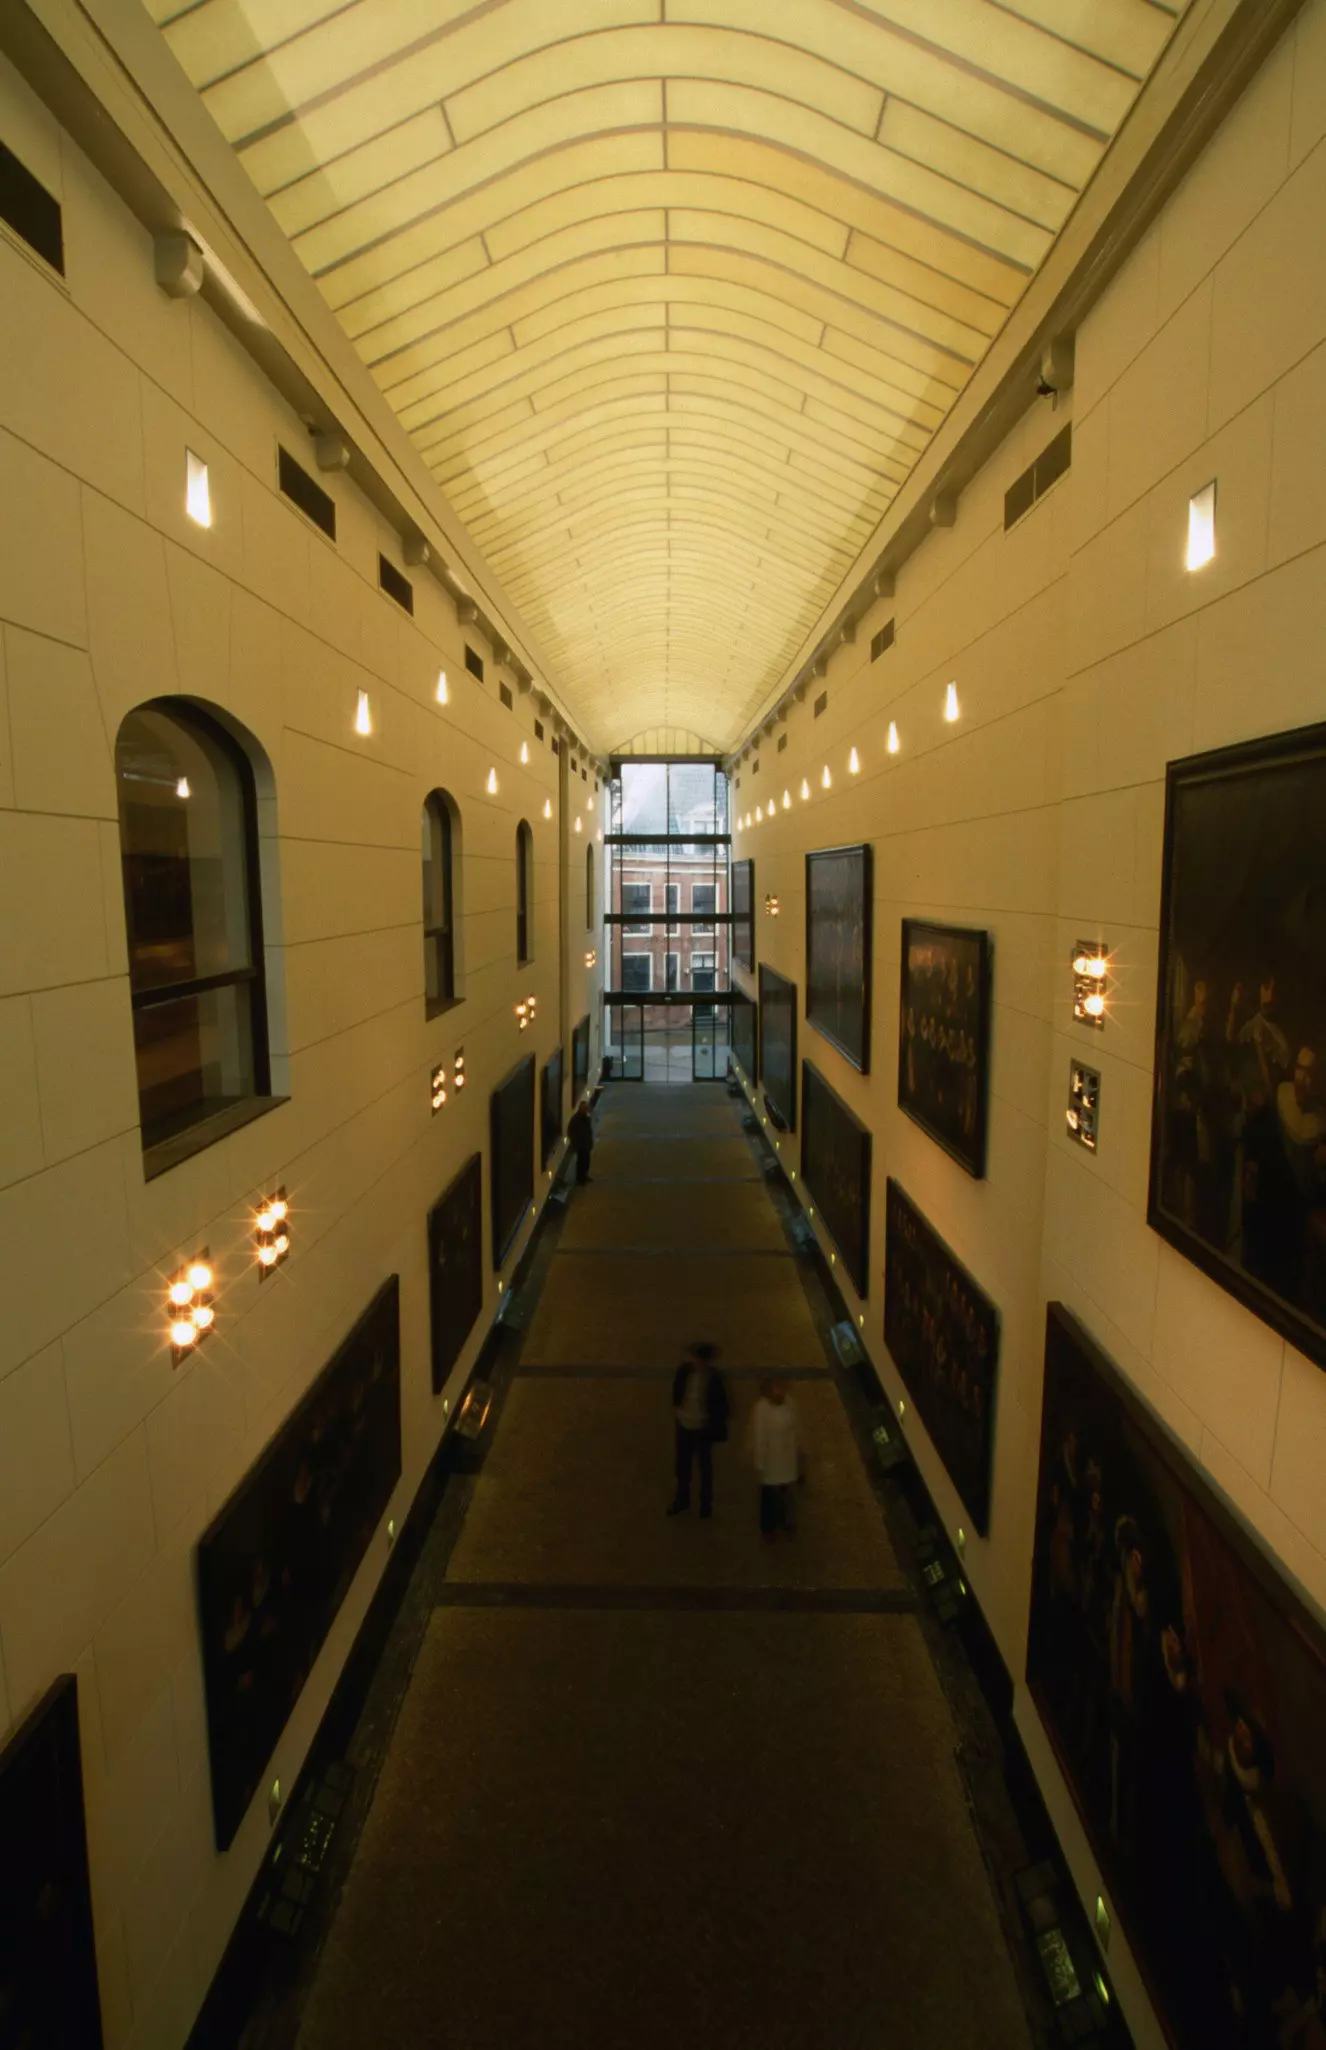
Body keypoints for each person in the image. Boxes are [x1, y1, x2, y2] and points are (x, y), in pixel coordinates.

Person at [667, 1341, 728, 1518]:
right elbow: (677, 1390)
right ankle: (682, 1499)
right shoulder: (685, 1371)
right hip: (685, 1425)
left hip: (702, 1429)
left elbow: (722, 1405)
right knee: (683, 1466)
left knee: (705, 1468)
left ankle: (705, 1505)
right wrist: (678, 1410)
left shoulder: (715, 1378)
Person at [751, 1377, 800, 1539]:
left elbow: (795, 1429)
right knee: (770, 1495)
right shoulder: (762, 1409)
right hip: (771, 1460)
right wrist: (760, 1461)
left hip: (786, 1458)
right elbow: (760, 1436)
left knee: (785, 1492)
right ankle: (768, 1527)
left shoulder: (790, 1403)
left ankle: (784, 1519)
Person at [567, 1095, 594, 1184]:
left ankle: (584, 1176)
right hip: (581, 1145)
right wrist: (576, 1143)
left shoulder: (586, 1118)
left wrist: (590, 1141)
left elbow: (589, 1131)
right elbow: (571, 1132)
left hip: (585, 1144)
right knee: (581, 1162)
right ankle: (580, 1178)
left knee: (586, 1162)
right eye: (585, 1108)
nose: (586, 1110)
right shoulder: (576, 1120)